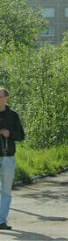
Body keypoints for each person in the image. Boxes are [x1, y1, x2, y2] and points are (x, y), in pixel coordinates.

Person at [0, 87, 25, 230]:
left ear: (6, 98)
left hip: (8, 156)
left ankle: (1, 220)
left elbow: (21, 136)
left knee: (6, 190)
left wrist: (9, 133)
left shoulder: (13, 115)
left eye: (0, 96)